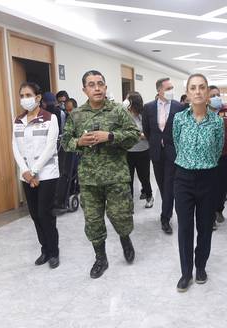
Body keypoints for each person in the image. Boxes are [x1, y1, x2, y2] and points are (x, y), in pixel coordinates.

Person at [62, 70, 140, 279]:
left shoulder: (118, 111)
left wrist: (111, 136)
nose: (96, 88)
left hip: (116, 176)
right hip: (89, 179)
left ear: (105, 87)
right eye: (91, 84)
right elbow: (64, 142)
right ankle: (100, 258)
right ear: (84, 89)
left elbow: (135, 136)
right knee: (93, 221)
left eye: (100, 84)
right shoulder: (76, 115)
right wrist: (78, 142)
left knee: (120, 216)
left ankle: (125, 238)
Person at [173, 73, 224, 292]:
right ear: (187, 92)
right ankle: (186, 272)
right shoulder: (179, 119)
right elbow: (176, 143)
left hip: (208, 179)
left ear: (207, 92)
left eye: (202, 87)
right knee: (185, 227)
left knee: (205, 227)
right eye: (193, 88)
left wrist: (203, 163)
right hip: (183, 178)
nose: (198, 92)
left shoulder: (217, 121)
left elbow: (219, 149)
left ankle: (200, 266)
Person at [12, 82, 60, 269]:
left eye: (28, 95)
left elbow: (50, 147)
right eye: (21, 96)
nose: (24, 99)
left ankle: (54, 251)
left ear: (38, 97)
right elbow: (15, 146)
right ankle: (45, 250)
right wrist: (25, 171)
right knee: (34, 215)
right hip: (26, 175)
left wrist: (33, 171)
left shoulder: (50, 118)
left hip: (46, 174)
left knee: (45, 213)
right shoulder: (17, 121)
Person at [143, 77, 184, 234]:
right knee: (162, 184)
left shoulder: (179, 107)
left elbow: (181, 129)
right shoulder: (149, 107)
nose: (171, 91)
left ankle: (165, 218)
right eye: (168, 88)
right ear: (159, 90)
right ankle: (167, 207)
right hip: (156, 152)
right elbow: (147, 130)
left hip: (172, 151)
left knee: (169, 184)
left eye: (172, 88)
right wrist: (155, 142)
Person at [208, 85, 227, 227]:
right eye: (212, 95)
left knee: (222, 185)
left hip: (226, 154)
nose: (216, 98)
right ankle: (210, 215)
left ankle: (219, 209)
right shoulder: (203, 112)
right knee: (210, 186)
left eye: (217, 95)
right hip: (208, 157)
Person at [123, 91, 154, 208]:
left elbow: (149, 134)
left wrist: (138, 135)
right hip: (128, 151)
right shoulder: (125, 114)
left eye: (128, 99)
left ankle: (149, 196)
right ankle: (129, 202)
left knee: (144, 177)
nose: (126, 101)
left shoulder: (143, 115)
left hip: (143, 151)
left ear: (133, 102)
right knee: (128, 178)